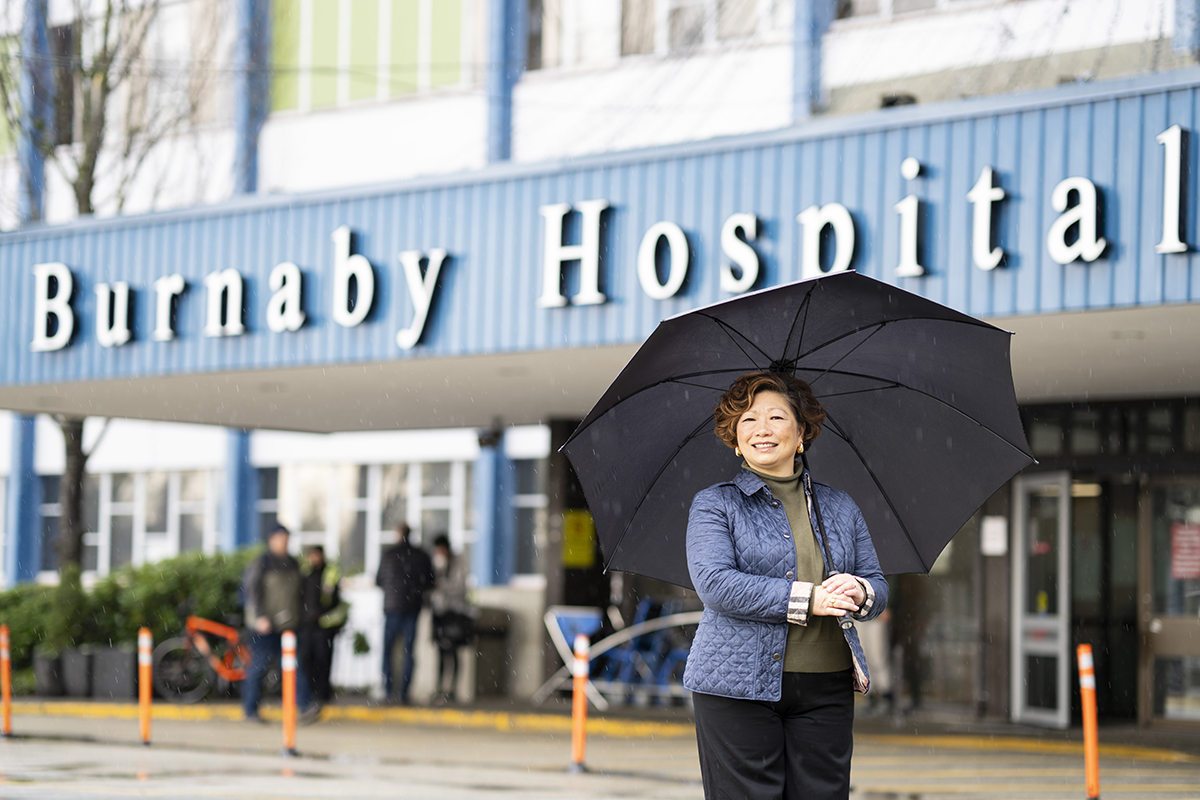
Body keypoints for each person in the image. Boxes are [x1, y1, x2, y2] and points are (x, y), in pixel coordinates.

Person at [683, 371, 889, 800]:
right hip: (736, 685)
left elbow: (878, 585)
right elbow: (716, 585)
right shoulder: (715, 503)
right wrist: (809, 598)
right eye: (748, 421)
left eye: (776, 417)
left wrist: (861, 593)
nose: (762, 429)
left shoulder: (839, 505)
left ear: (801, 433)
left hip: (826, 686)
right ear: (735, 440)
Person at [242, 523, 317, 723]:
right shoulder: (261, 563)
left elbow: (299, 594)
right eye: (281, 539)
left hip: (288, 625)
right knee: (258, 668)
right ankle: (250, 711)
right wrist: (260, 617)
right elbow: (251, 591)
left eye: (287, 539)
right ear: (271, 540)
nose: (284, 543)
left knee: (293, 667)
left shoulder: (293, 563)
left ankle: (305, 706)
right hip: (264, 627)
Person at [375, 523, 434, 703]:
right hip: (412, 608)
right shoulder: (421, 555)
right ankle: (404, 693)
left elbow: (379, 580)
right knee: (409, 650)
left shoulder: (388, 554)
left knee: (388, 650)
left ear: (398, 534)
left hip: (392, 608)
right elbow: (430, 582)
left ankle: (389, 690)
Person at [299, 545, 348, 704]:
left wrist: (320, 614)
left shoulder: (330, 572)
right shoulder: (306, 573)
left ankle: (322, 694)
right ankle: (312, 693)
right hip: (308, 625)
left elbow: (334, 599)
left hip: (325, 626)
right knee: (308, 660)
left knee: (323, 660)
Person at [428, 533, 472, 704]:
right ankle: (439, 688)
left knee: (453, 651)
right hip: (439, 612)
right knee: (440, 650)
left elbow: (460, 587)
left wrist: (441, 586)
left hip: (454, 613)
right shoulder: (437, 563)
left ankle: (452, 689)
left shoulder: (459, 563)